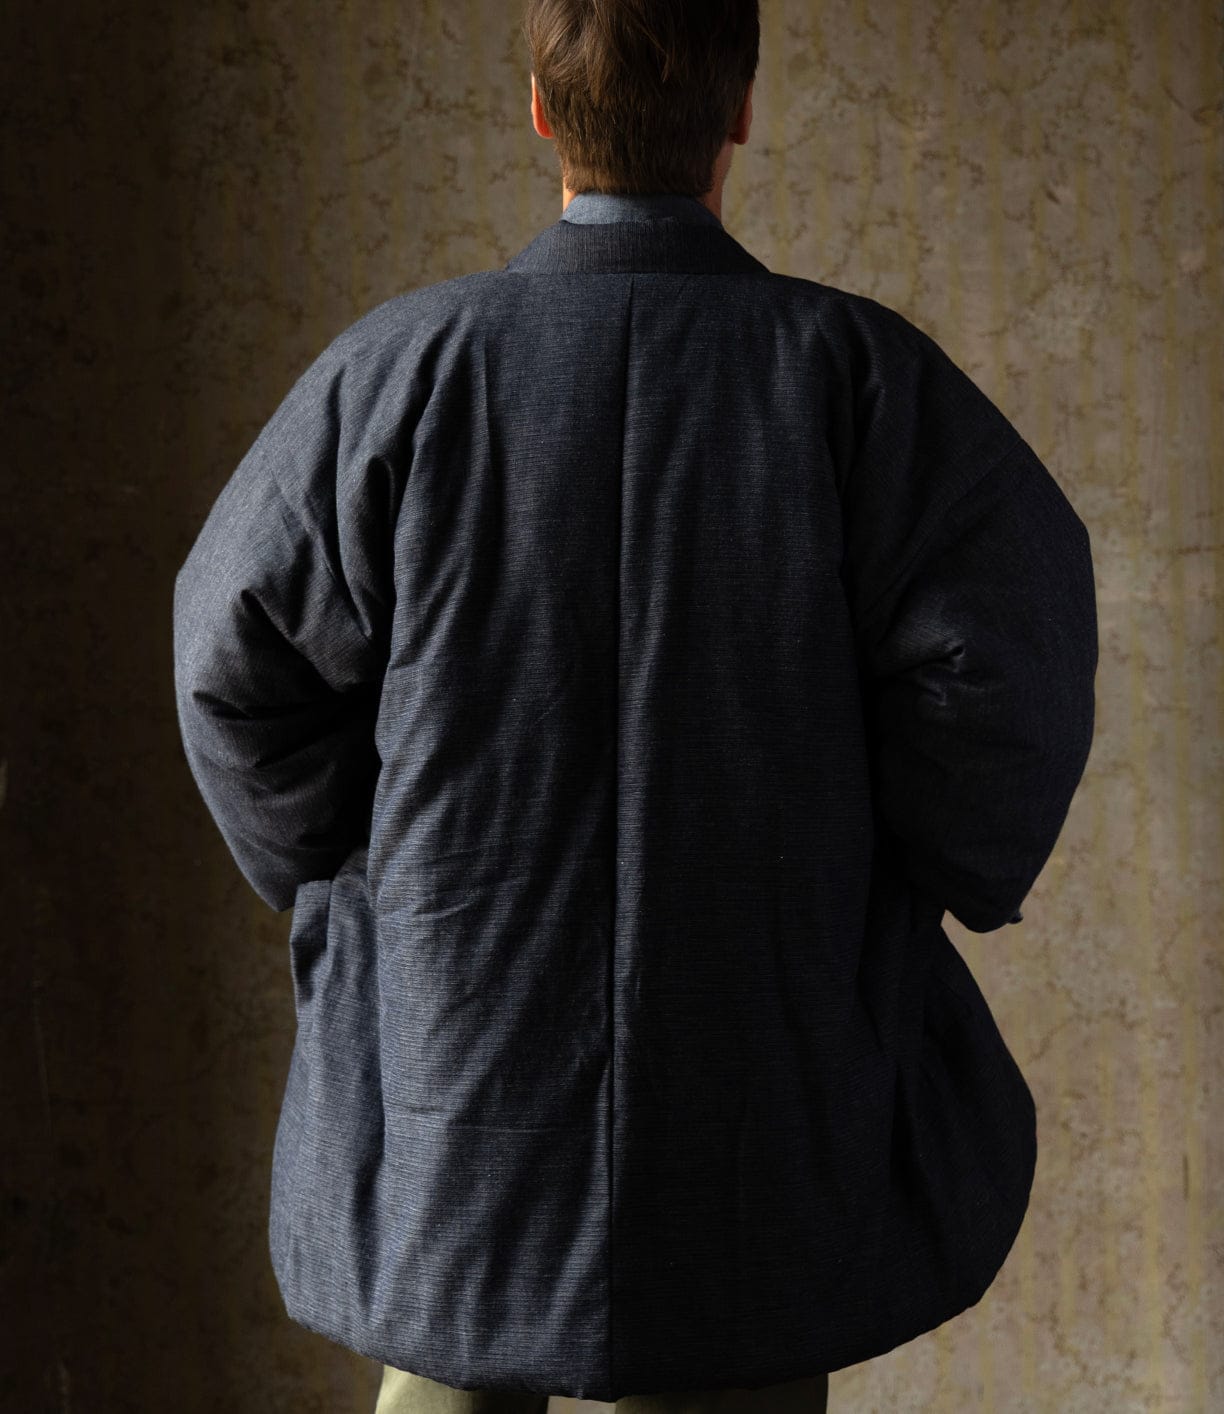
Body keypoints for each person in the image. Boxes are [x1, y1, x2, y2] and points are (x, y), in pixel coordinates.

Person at [170, 1, 1098, 1411]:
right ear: (740, 112)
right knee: (740, 1356)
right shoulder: (852, 380)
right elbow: (1009, 665)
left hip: (458, 1061)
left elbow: (230, 663)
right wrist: (893, 862)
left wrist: (366, 866)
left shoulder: (399, 378)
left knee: (447, 1366)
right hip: (762, 1064)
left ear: (541, 111)